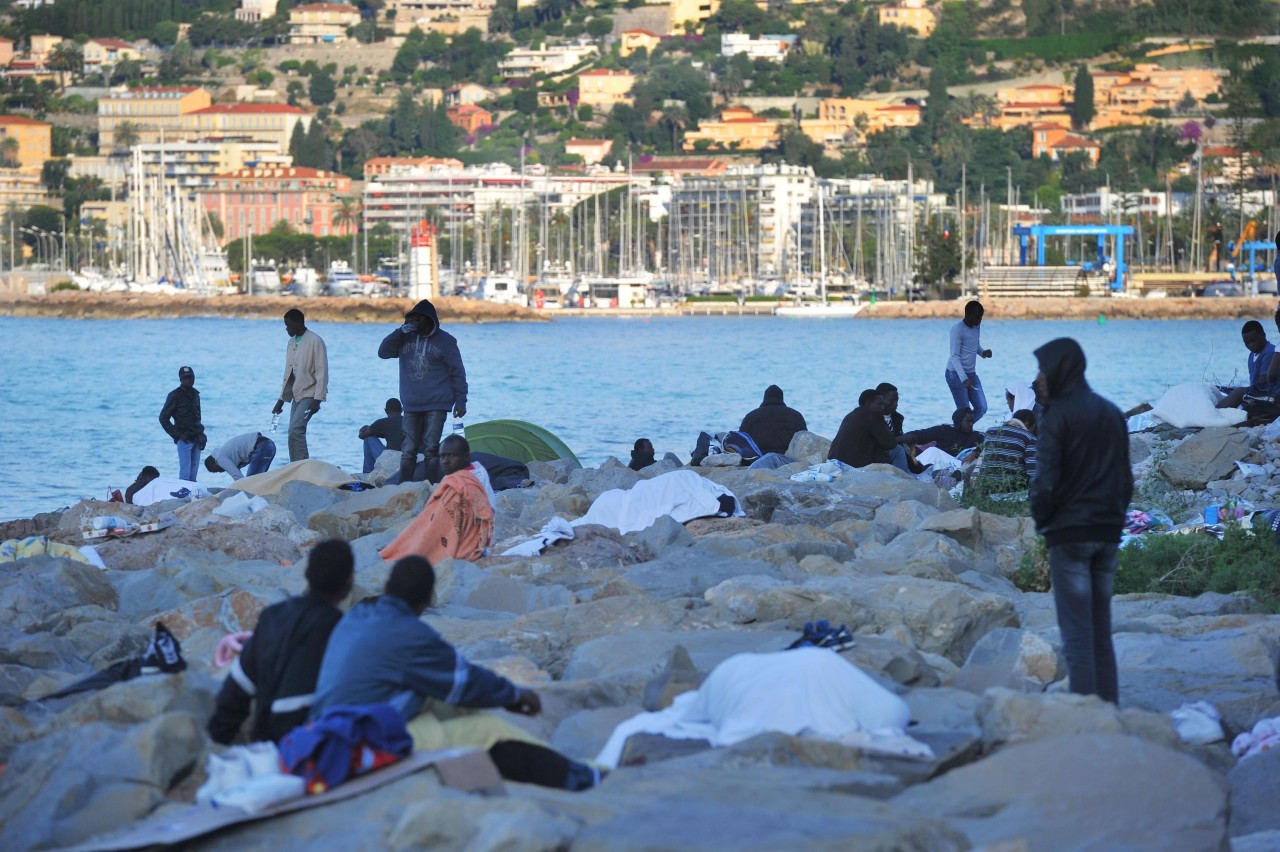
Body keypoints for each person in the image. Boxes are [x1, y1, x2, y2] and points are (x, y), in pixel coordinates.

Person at [311, 555, 600, 790]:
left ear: (386, 588)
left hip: (330, 727)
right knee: (488, 730)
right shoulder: (410, 634)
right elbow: (464, 682)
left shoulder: (357, 618)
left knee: (452, 707)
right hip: (358, 740)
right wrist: (514, 694)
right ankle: (579, 777)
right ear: (427, 599)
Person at [1030, 338, 1132, 704]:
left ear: (1060, 369)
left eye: (1042, 368)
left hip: (1069, 534)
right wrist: (1115, 522)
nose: (1039, 377)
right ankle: (1109, 709)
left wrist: (1043, 521)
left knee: (1077, 636)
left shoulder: (1056, 415)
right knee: (1101, 632)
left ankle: (1088, 720)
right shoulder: (1110, 411)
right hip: (1106, 531)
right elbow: (1125, 480)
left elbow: (1045, 481)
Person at [207, 539, 355, 744]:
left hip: (265, 738)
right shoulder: (340, 628)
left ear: (306, 574)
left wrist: (217, 740)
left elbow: (238, 687)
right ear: (349, 580)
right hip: (308, 743)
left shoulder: (273, 615)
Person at [378, 299, 467, 484]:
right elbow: (383, 352)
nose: (415, 323)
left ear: (429, 320)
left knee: (431, 448)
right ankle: (405, 488)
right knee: (408, 449)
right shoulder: (404, 337)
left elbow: (457, 372)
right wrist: (400, 331)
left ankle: (432, 487)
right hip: (411, 404)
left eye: (418, 320)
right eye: (412, 319)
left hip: (437, 403)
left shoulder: (446, 341)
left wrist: (461, 400)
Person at [379, 435, 494, 565]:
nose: (445, 461)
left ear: (466, 457)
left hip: (466, 543)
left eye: (451, 456)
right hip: (455, 535)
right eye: (442, 456)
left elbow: (481, 516)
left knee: (419, 542)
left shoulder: (470, 480)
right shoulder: (455, 476)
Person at [273, 308, 328, 463]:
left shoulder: (315, 341)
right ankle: (295, 465)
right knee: (293, 432)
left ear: (298, 322)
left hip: (311, 395)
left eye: (289, 325)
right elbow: (288, 373)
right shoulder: (291, 342)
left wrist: (318, 399)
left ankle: (303, 465)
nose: (286, 329)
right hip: (297, 394)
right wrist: (281, 400)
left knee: (295, 429)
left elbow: (322, 371)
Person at [828, 389, 910, 472]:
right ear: (868, 403)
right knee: (898, 450)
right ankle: (904, 479)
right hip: (854, 466)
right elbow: (889, 444)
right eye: (879, 404)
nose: (883, 407)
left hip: (834, 463)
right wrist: (902, 438)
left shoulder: (851, 415)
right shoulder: (873, 415)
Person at [1216, 320, 1280, 417]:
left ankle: (1213, 415)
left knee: (1238, 393)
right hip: (1260, 392)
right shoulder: (1252, 354)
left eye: (1254, 340)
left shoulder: (1269, 352)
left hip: (1271, 393)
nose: (1251, 345)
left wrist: (1242, 395)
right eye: (1247, 342)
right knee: (1220, 389)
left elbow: (1262, 384)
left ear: (1263, 335)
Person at [945, 300, 992, 423]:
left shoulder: (976, 327)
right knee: (964, 411)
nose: (980, 320)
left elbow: (974, 345)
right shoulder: (957, 329)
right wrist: (964, 379)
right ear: (968, 314)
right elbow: (954, 356)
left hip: (971, 374)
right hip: (955, 374)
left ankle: (963, 431)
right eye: (977, 316)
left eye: (981, 316)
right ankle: (961, 433)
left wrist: (983, 352)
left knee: (982, 407)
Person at [971, 409, 1038, 494]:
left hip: (987, 487)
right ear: (1029, 424)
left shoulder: (990, 432)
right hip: (1013, 489)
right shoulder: (1030, 437)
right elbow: (1033, 473)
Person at [159, 365, 205, 481]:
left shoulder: (196, 395)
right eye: (185, 378)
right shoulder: (175, 395)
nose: (188, 380)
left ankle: (193, 499)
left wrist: (202, 435)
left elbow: (198, 418)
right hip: (184, 439)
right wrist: (178, 435)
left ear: (194, 377)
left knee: (193, 474)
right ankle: (184, 498)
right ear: (180, 379)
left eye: (190, 377)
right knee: (185, 473)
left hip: (197, 438)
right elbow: (163, 418)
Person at [739, 384, 808, 455]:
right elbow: (806, 440)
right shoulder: (796, 416)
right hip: (788, 460)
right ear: (781, 398)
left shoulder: (751, 417)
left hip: (758, 460)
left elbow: (740, 441)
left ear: (765, 398)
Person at [899, 409, 981, 458]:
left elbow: (988, 444)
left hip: (955, 465)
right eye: (968, 422)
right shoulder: (944, 430)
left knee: (932, 451)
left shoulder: (975, 436)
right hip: (934, 463)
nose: (971, 424)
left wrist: (975, 452)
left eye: (972, 422)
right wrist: (904, 438)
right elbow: (922, 435)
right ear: (959, 421)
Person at [204, 431, 277, 480]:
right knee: (257, 481)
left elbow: (238, 477)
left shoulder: (220, 458)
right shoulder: (226, 454)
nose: (220, 472)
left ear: (214, 464)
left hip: (261, 448)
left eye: (216, 470)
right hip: (269, 445)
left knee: (251, 483)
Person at [359, 398, 404, 474]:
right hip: (408, 460)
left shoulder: (383, 423)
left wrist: (363, 429)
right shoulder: (409, 421)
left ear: (386, 411)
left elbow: (362, 435)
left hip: (390, 461)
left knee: (368, 438)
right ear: (402, 410)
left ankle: (367, 474)